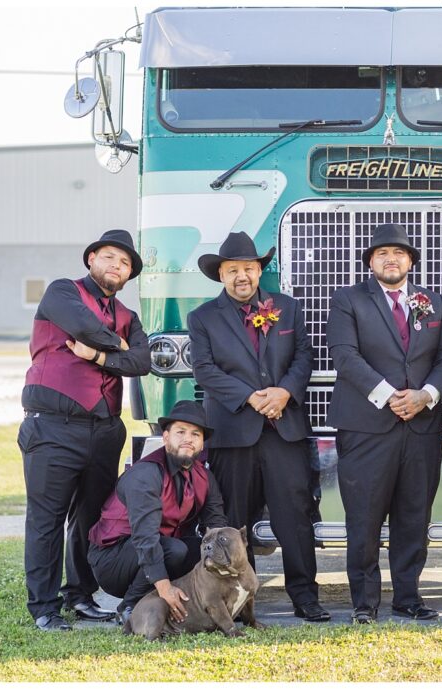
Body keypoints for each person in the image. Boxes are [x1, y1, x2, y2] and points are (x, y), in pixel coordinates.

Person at [187, 232, 329, 622]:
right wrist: (252, 398)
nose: (242, 276)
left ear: (259, 270)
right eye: (233, 270)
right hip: (234, 433)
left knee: (295, 516)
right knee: (234, 521)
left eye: (249, 268)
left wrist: (284, 392)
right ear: (221, 275)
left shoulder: (287, 308)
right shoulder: (202, 318)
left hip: (285, 430)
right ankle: (240, 600)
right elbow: (204, 370)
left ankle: (305, 596)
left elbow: (304, 355)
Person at [326, 223, 442, 624]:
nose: (391, 259)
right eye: (382, 253)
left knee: (413, 516)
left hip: (421, 428)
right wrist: (390, 395)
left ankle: (408, 596)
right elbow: (344, 355)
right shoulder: (348, 300)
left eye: (399, 253)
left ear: (410, 262)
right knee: (364, 517)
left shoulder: (431, 302)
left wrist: (426, 396)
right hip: (367, 427)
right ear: (371, 262)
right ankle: (364, 603)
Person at [19, 228, 151, 631]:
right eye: (110, 257)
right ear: (91, 258)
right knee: (47, 519)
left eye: (125, 263)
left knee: (89, 518)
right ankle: (43, 607)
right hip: (53, 427)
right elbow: (84, 326)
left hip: (105, 430)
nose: (117, 266)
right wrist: (119, 348)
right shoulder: (63, 292)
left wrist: (98, 353)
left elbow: (142, 363)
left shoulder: (130, 315)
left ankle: (80, 595)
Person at [87, 400, 228, 625]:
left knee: (200, 549)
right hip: (113, 559)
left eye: (195, 434)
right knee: (175, 549)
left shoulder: (204, 476)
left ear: (202, 444)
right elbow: (145, 536)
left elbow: (217, 525)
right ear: (165, 437)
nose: (188, 439)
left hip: (159, 550)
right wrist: (165, 588)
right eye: (180, 432)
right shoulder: (146, 474)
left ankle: (191, 603)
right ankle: (131, 606)